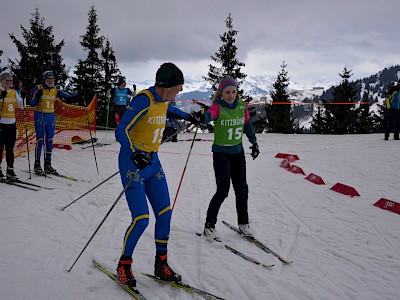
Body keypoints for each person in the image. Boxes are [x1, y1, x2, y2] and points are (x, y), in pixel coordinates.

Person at [115, 62, 199, 288]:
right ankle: (124, 265)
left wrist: (190, 117)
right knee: (141, 219)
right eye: (178, 87)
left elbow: (169, 110)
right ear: (167, 86)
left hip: (153, 163)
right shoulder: (144, 99)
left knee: (165, 213)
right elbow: (120, 129)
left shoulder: (163, 101)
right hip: (133, 164)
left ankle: (161, 264)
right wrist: (133, 154)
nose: (180, 91)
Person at [194, 76, 260, 240]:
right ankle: (209, 225)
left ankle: (243, 223)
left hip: (238, 154)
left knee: (242, 189)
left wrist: (254, 143)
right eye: (227, 92)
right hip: (221, 155)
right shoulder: (218, 107)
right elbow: (210, 114)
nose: (231, 95)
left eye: (233, 92)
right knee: (223, 190)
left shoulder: (240, 106)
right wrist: (203, 118)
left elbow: (247, 125)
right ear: (221, 94)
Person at [29, 71, 80, 175]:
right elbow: (32, 103)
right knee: (40, 140)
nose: (51, 81)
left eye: (52, 79)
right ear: (44, 79)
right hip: (40, 116)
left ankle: (48, 164)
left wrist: (79, 94)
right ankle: (37, 164)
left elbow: (68, 97)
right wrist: (37, 96)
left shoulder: (55, 89)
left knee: (50, 140)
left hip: (50, 117)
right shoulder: (38, 88)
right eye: (49, 79)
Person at [0, 70, 24, 180]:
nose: (9, 82)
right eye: (6, 80)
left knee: (10, 148)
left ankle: (10, 170)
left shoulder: (13, 92)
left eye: (10, 80)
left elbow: (22, 106)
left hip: (11, 124)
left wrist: (23, 97)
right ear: (1, 81)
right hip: (1, 123)